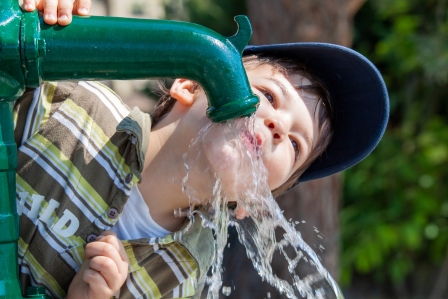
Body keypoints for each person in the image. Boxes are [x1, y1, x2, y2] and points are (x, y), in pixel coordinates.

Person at [15, 1, 389, 299]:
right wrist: (26, 15)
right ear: (189, 84)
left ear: (257, 201)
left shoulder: (185, 275)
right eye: (270, 96)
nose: (278, 126)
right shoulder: (71, 105)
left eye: (295, 144)